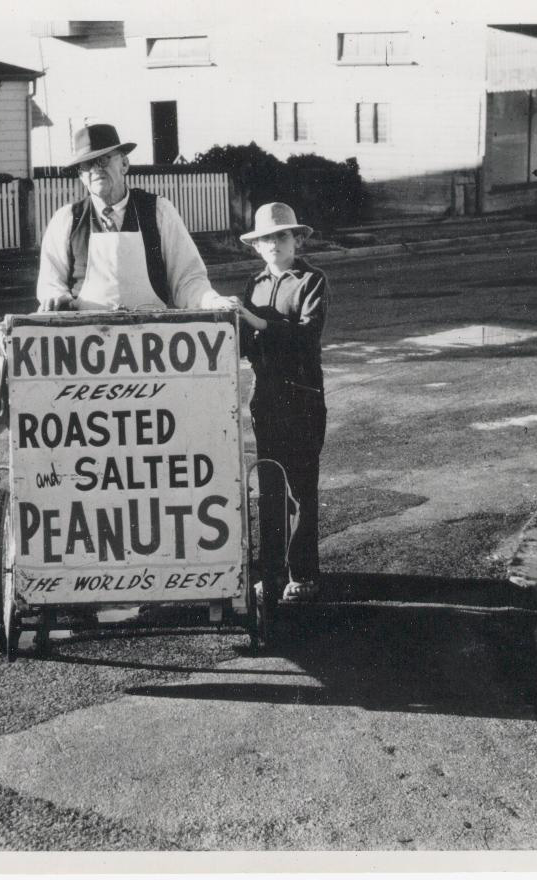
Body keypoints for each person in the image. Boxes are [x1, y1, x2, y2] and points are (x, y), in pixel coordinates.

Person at [229, 203, 328, 603]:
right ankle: (270, 575)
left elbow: (306, 336)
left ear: (297, 240)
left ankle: (302, 573)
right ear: (256, 246)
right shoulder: (253, 285)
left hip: (302, 395)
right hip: (266, 396)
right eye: (265, 238)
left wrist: (255, 322)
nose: (273, 244)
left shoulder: (310, 280)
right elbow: (248, 345)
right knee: (270, 486)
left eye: (281, 236)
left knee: (301, 487)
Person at [37, 123, 234, 312]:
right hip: (88, 337)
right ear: (81, 176)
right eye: (87, 164)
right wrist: (55, 297)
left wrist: (211, 300)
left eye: (103, 159)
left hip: (151, 336)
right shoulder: (67, 220)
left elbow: (188, 278)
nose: (96, 169)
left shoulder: (158, 211)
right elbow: (51, 282)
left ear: (124, 163)